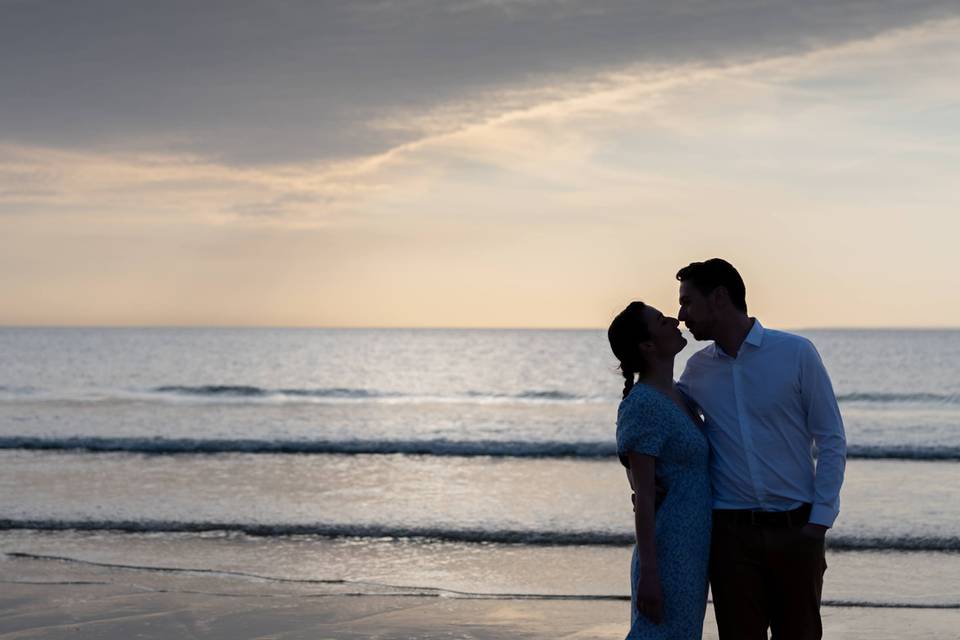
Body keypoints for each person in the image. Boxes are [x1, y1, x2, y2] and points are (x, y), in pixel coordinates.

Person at [675, 258, 846, 640]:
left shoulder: (796, 353)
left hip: (797, 530)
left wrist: (820, 518)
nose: (681, 315)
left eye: (687, 302)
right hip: (730, 536)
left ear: (719, 298)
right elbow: (669, 429)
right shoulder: (697, 370)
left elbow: (831, 436)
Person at [608, 301, 711, 639]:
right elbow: (645, 496)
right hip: (668, 553)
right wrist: (650, 573)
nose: (672, 320)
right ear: (647, 346)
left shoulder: (680, 395)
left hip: (692, 549)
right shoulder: (643, 404)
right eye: (660, 320)